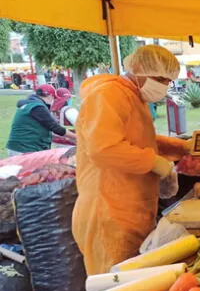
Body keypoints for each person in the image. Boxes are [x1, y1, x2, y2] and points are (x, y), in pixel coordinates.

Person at [72, 45, 190, 274]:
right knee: (115, 289)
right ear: (137, 70)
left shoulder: (134, 97)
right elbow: (104, 149)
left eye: (168, 81)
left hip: (132, 208)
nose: (164, 86)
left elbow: (141, 140)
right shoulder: (108, 93)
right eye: (159, 79)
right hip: (108, 212)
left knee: (135, 281)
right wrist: (155, 163)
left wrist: (182, 147)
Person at [6, 84, 76, 156]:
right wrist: (76, 137)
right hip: (25, 149)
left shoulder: (29, 104)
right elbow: (55, 127)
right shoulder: (38, 107)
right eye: (54, 99)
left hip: (18, 147)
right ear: (50, 96)